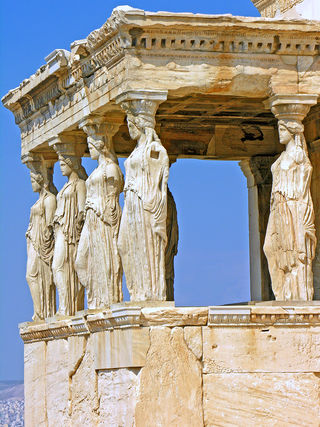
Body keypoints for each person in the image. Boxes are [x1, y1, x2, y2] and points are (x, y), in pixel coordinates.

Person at [118, 108, 170, 301]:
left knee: (144, 244)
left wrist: (153, 203)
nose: (129, 129)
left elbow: (161, 181)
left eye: (131, 124)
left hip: (143, 202)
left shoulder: (154, 150)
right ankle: (137, 292)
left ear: (140, 125)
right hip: (131, 201)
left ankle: (149, 293)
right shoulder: (136, 151)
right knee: (123, 245)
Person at [264, 119, 317, 300]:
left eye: (283, 129)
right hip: (278, 207)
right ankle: (282, 295)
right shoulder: (282, 157)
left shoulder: (298, 155)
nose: (280, 132)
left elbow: (304, 185)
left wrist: (302, 216)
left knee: (294, 252)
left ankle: (294, 296)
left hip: (293, 207)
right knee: (269, 248)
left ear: (292, 132)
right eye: (279, 128)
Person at [75, 134, 123, 308]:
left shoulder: (111, 169)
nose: (89, 149)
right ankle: (96, 297)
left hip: (102, 217)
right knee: (81, 261)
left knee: (104, 258)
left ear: (101, 146)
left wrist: (107, 216)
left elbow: (114, 197)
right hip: (91, 217)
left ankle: (105, 300)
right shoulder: (97, 171)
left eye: (91, 145)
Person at [52, 154, 87, 315]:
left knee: (59, 266)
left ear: (72, 164)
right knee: (59, 267)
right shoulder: (65, 186)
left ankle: (67, 307)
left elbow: (81, 210)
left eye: (64, 163)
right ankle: (65, 306)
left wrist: (78, 229)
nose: (61, 166)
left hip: (69, 232)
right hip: (60, 229)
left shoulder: (79, 184)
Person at [26, 164, 57, 320]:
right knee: (31, 276)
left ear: (41, 180)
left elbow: (50, 225)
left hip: (42, 245)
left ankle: (43, 313)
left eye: (33, 180)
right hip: (34, 241)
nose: (31, 183)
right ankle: (39, 312)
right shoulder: (40, 200)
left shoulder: (50, 199)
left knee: (34, 276)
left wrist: (46, 245)